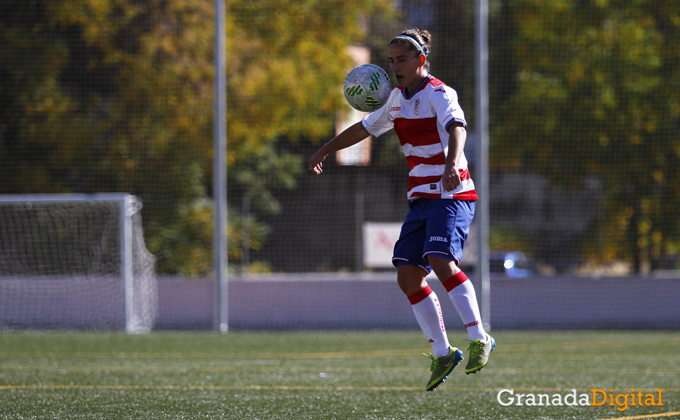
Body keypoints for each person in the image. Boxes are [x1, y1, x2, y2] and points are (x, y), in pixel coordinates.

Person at [309, 28, 495, 392]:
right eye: (392, 60)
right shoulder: (395, 100)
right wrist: (324, 150)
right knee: (408, 277)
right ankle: (443, 352)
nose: (395, 66)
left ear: (421, 60)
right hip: (420, 199)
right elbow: (362, 129)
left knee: (440, 259)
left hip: (451, 194)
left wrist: (453, 164)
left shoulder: (439, 93)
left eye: (403, 59)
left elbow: (457, 126)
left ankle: (479, 336)